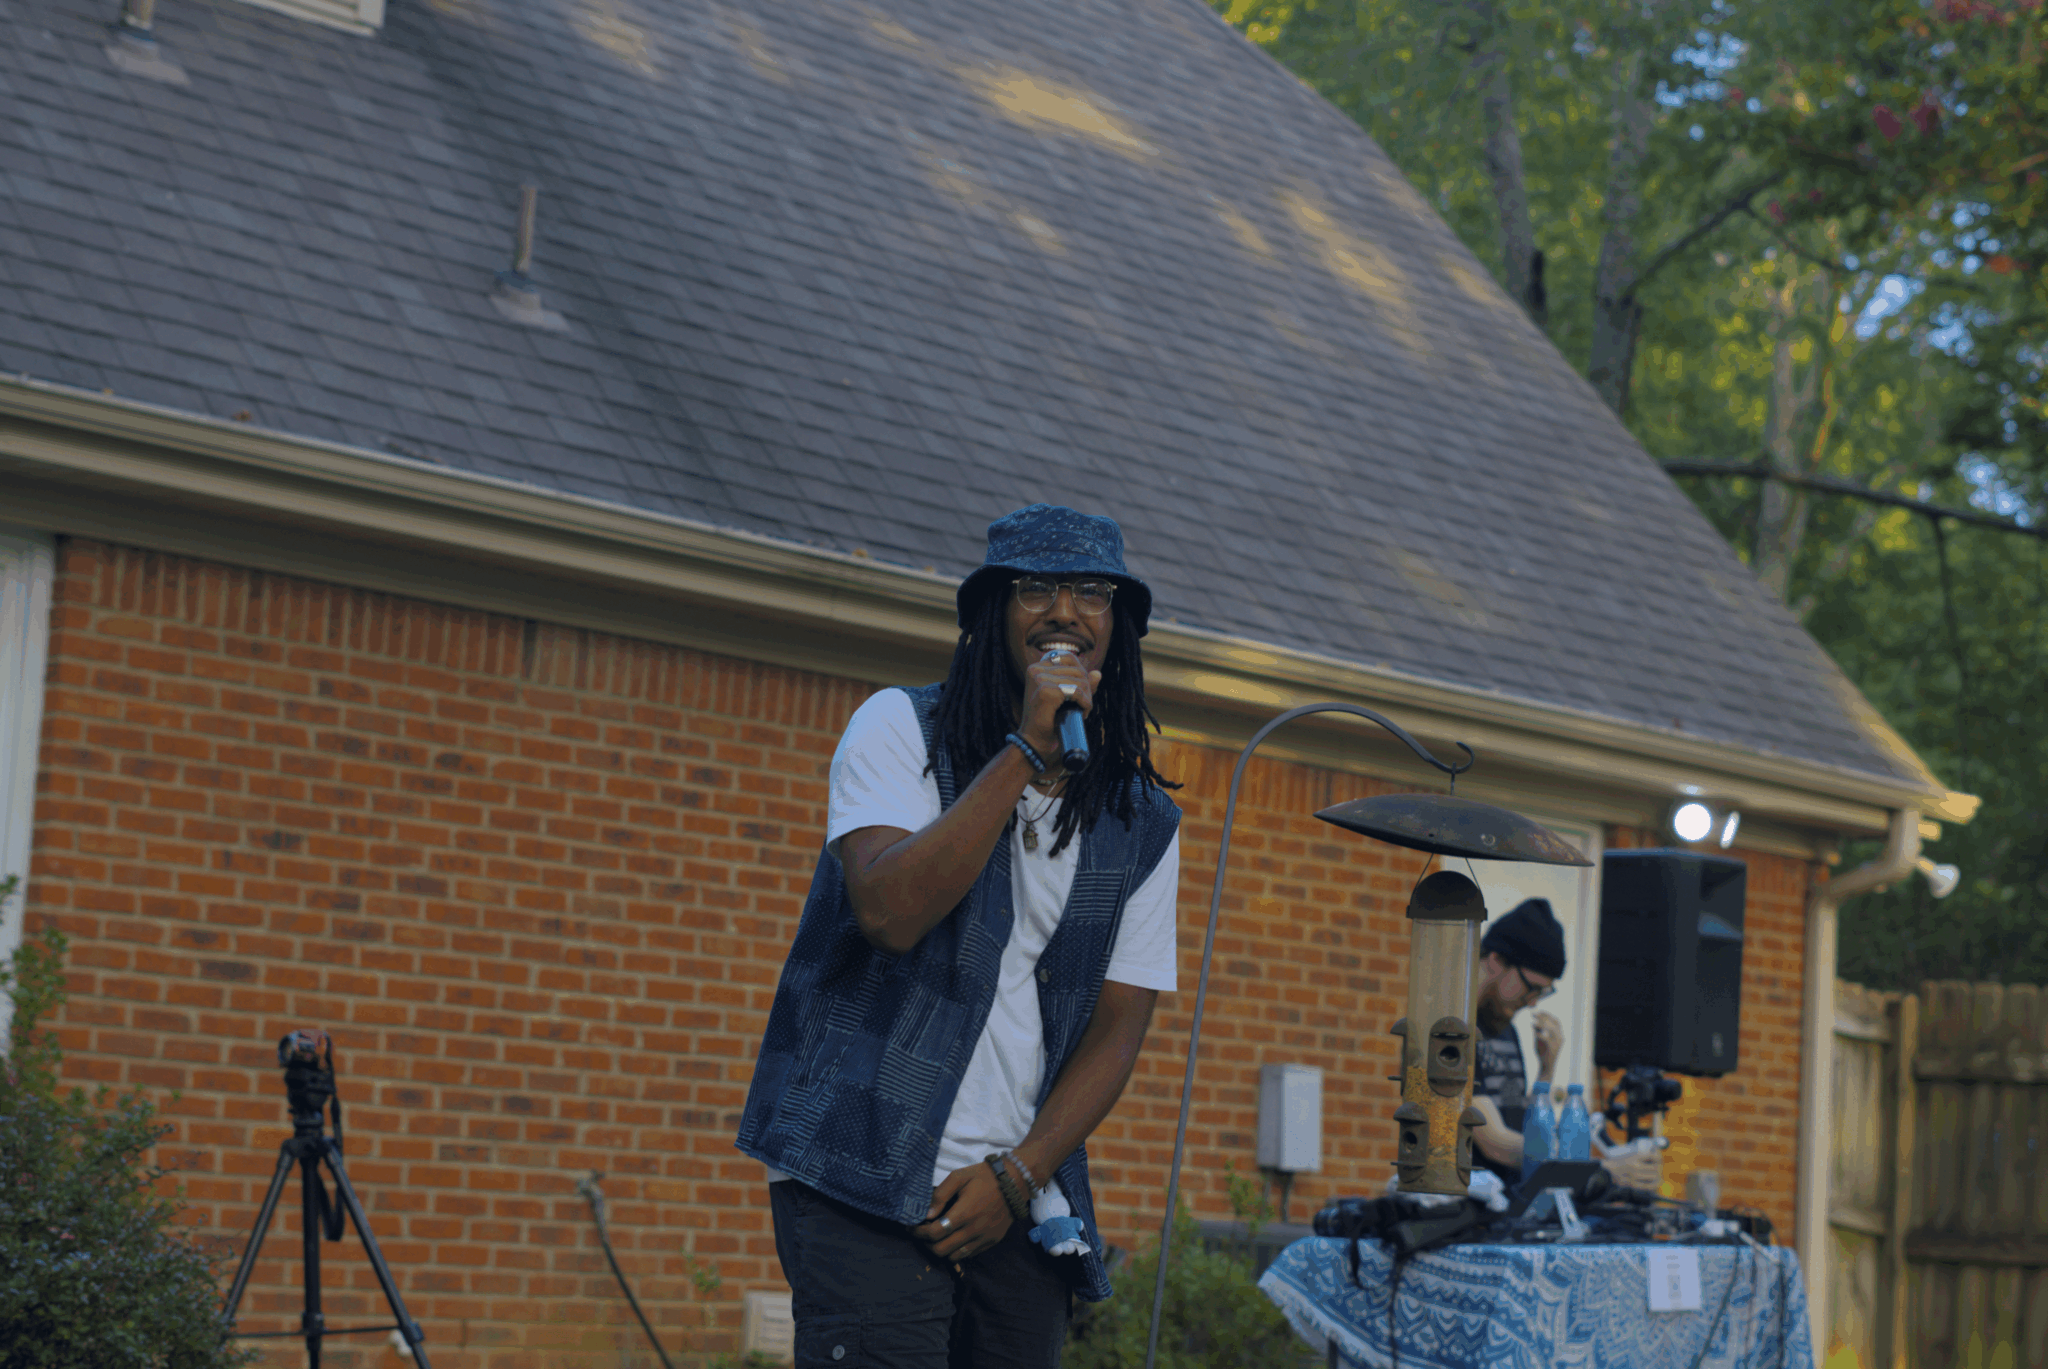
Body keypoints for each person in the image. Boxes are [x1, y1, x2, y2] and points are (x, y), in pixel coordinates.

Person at [735, 504, 1182, 1369]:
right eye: (1035, 589)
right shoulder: (900, 729)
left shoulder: (1139, 819)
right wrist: (1024, 752)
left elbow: (1119, 1025)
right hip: (860, 1165)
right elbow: (890, 912)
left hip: (1016, 1196)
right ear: (990, 612)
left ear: (1118, 628)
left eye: (1092, 592)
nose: (1064, 611)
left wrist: (1019, 1176)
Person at [1465, 898, 1567, 1187]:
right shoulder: (1454, 1030)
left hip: (1507, 1203)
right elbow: (1494, 1143)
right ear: (1496, 960)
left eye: (1542, 993)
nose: (1532, 1002)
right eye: (1531, 988)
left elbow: (1522, 1128)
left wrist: (1546, 1069)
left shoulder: (1503, 1026)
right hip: (1468, 1205)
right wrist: (1574, 1159)